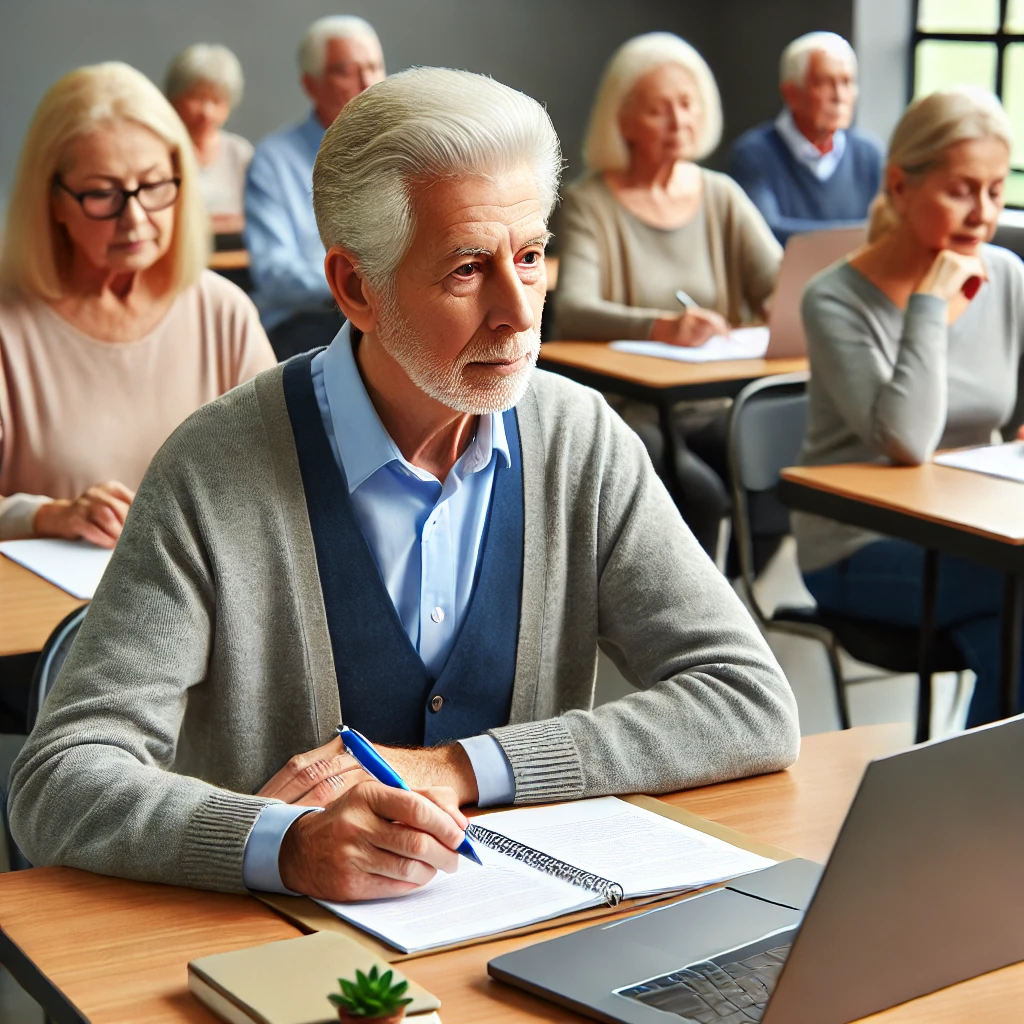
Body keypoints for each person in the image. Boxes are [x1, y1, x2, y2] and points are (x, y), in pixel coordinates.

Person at [9, 68, 799, 903]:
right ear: (356, 288)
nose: (519, 313)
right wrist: (284, 846)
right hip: (282, 958)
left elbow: (749, 701)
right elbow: (59, 779)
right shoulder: (211, 471)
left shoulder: (583, 439)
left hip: (525, 934)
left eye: (530, 257)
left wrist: (459, 766)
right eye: (467, 270)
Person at [794, 87, 1023, 728]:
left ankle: (982, 803)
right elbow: (907, 439)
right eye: (960, 190)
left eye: (995, 190)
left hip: (972, 526)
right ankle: (991, 805)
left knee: (1011, 632)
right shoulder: (836, 298)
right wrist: (930, 304)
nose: (982, 213)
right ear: (899, 186)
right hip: (858, 545)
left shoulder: (1005, 276)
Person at [0, 61, 275, 548]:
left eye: (152, 187)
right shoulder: (10, 324)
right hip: (51, 615)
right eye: (103, 194)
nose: (135, 220)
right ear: (53, 201)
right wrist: (44, 515)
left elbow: (279, 485)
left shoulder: (224, 313)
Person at [554, 32, 782, 557]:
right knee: (695, 490)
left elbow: (780, 282)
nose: (679, 121)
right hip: (632, 406)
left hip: (720, 398)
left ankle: (737, 604)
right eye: (660, 110)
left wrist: (784, 306)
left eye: (686, 105)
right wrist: (662, 326)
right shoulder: (590, 202)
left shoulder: (720, 194)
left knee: (775, 466)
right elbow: (574, 309)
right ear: (624, 119)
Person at [244, 15, 384, 361]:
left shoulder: (398, 152)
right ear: (311, 85)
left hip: (383, 310)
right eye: (346, 71)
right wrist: (363, 283)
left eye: (374, 67)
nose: (367, 82)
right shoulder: (273, 160)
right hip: (308, 319)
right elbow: (274, 272)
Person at [729, 32, 883, 245]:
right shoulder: (754, 155)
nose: (839, 96)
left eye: (846, 82)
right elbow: (764, 234)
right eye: (824, 83)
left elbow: (890, 228)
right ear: (791, 93)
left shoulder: (869, 154)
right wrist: (861, 237)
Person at [166, 44, 253, 235]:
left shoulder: (240, 153)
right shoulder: (162, 153)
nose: (207, 112)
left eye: (217, 100)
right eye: (196, 98)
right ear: (174, 98)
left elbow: (257, 218)